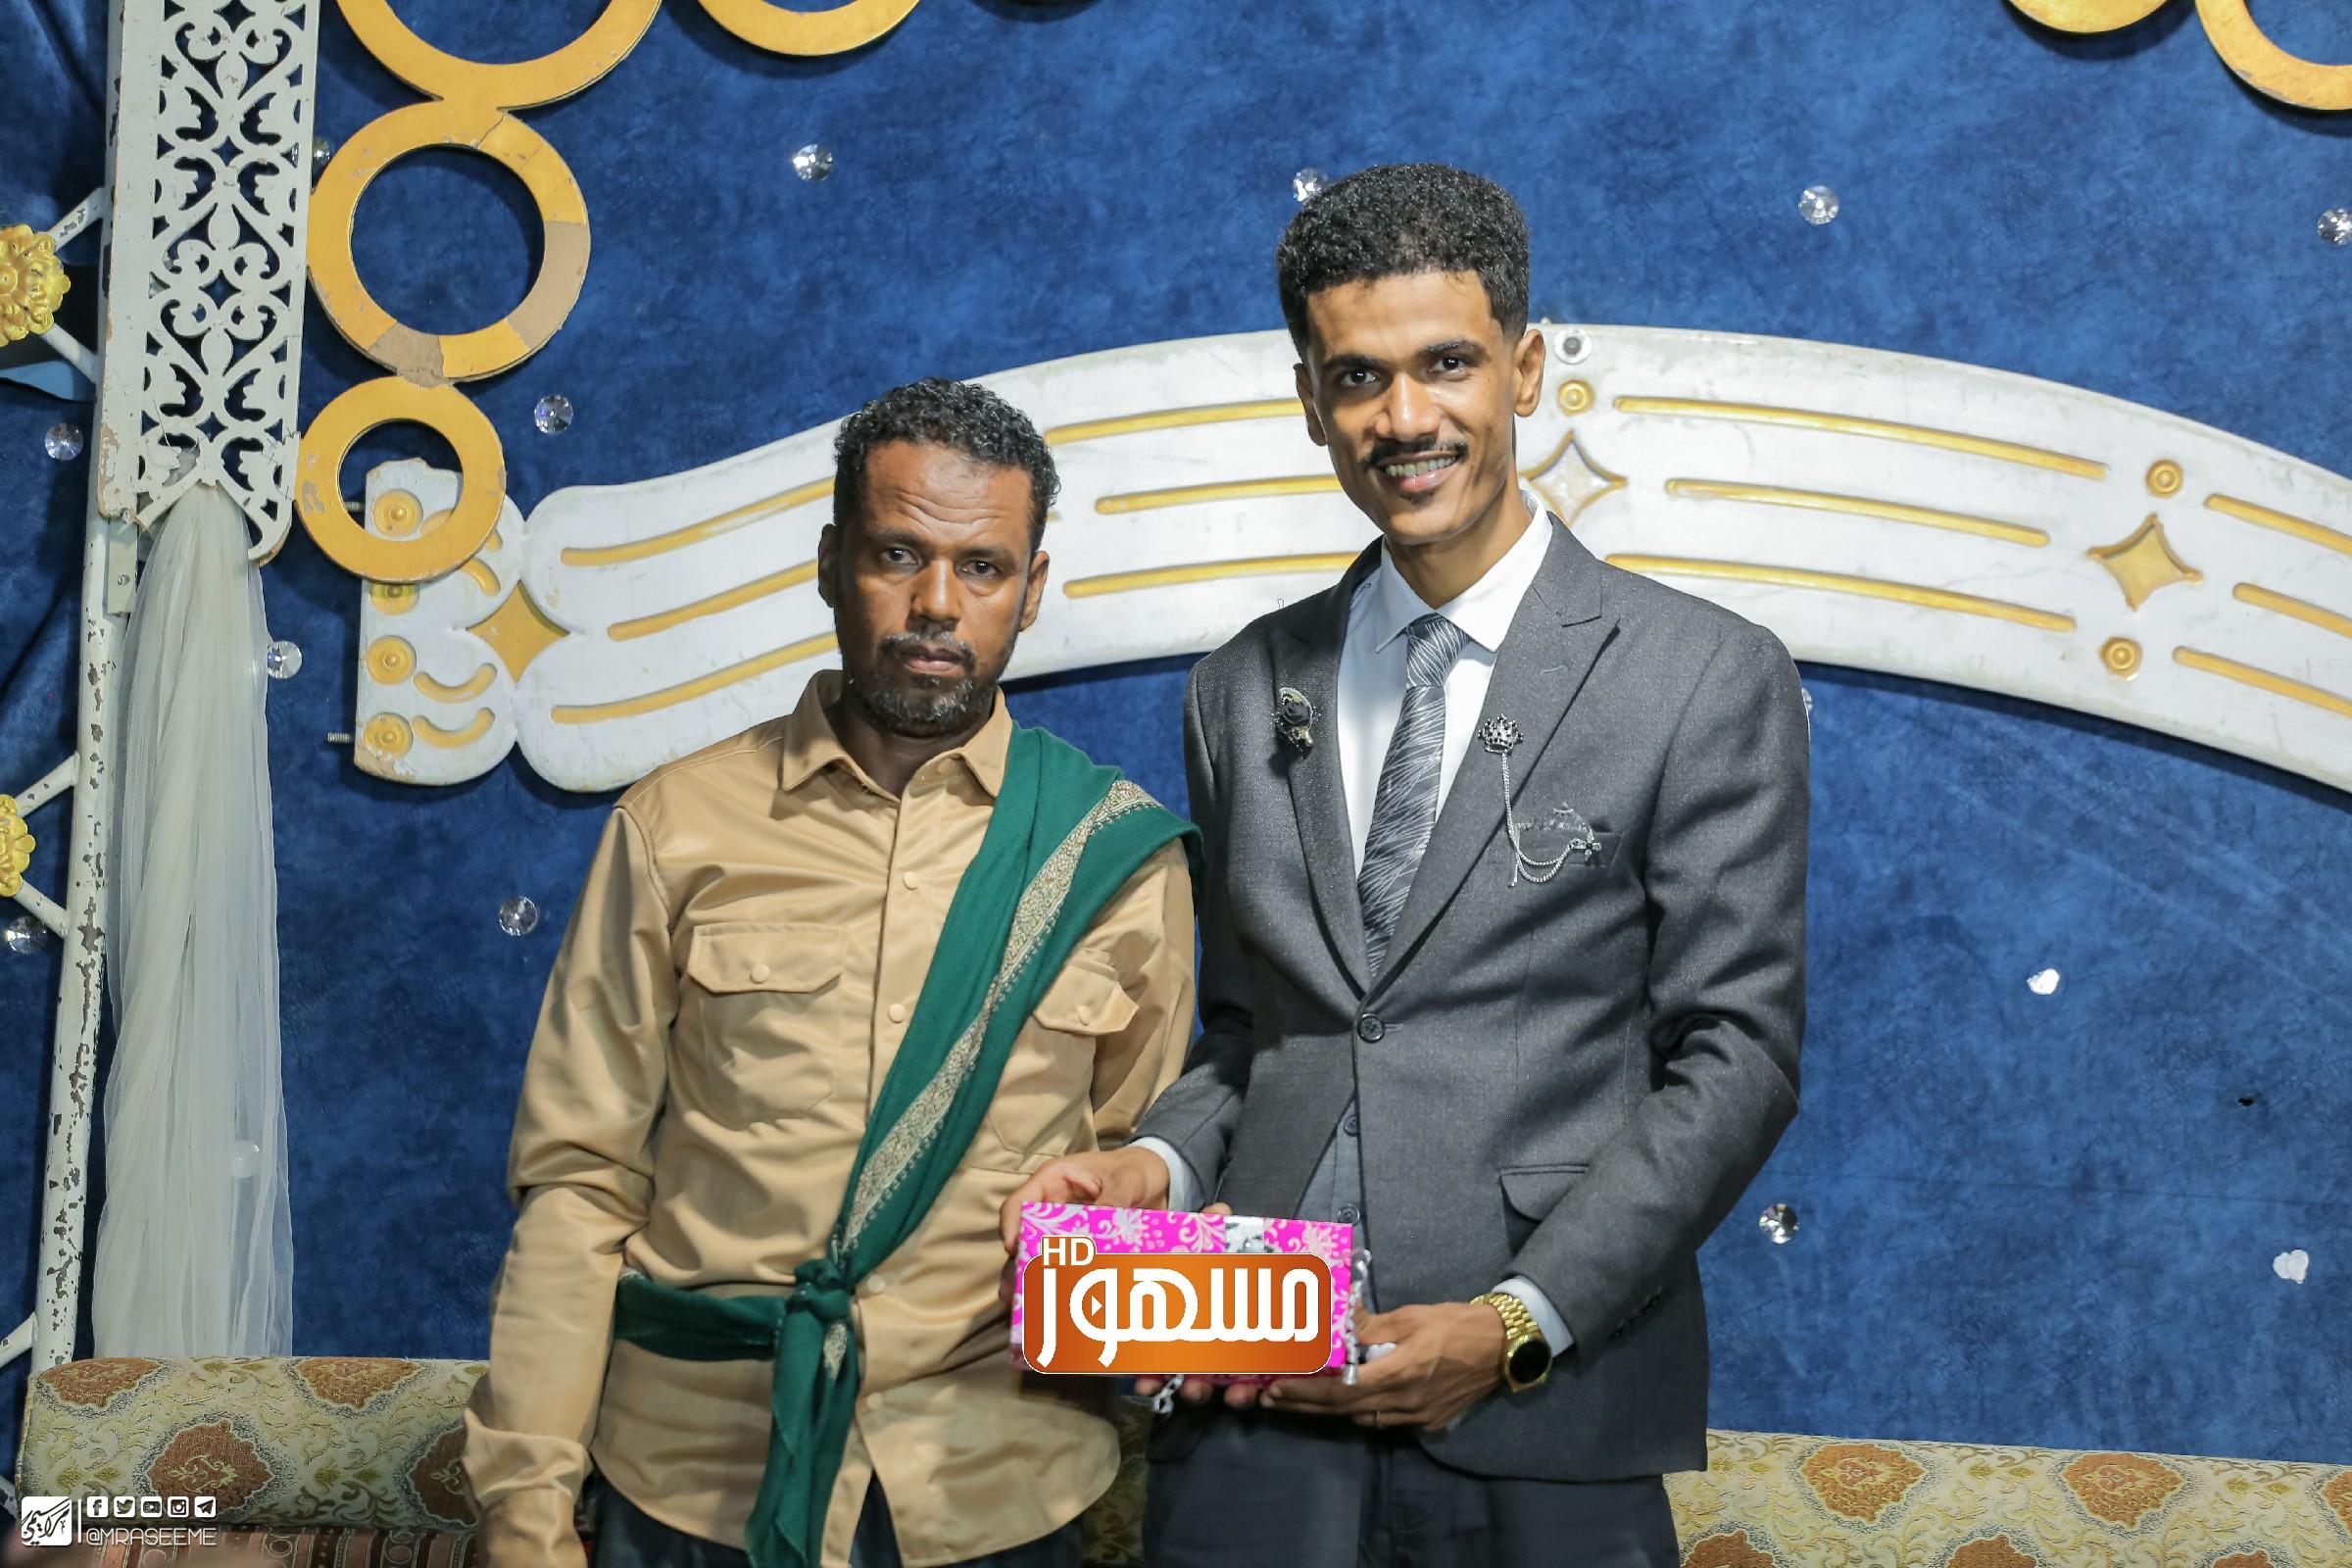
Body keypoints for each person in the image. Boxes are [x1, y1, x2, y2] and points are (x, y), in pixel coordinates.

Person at [1004, 164, 1809, 1566]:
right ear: (1310, 400)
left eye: (1447, 363)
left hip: (1548, 1411)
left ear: (1526, 367)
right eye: (1358, 377)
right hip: (1250, 1401)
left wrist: (1517, 1324)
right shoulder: (1238, 687)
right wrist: (1151, 1164)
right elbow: (1256, 1034)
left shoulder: (1701, 675)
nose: (1405, 417)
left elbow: (1736, 1057)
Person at [464, 378, 1200, 1568]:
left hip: (994, 1490)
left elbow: (1139, 1174)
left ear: (1032, 590)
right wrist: (526, 1507)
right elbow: (580, 1184)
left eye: (982, 568)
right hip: (696, 1481)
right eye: (897, 554)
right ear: (828, 563)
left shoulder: (1115, 857)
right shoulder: (676, 825)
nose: (936, 604)